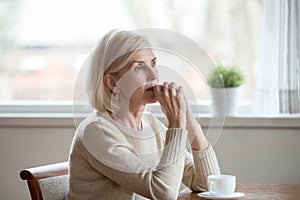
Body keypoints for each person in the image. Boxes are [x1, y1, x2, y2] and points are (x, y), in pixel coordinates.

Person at [66, 29, 220, 200]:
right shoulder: (96, 131)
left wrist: (189, 122)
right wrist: (176, 123)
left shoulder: (150, 124)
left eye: (153, 64)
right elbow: (163, 193)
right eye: (139, 67)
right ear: (112, 82)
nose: (154, 75)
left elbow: (207, 185)